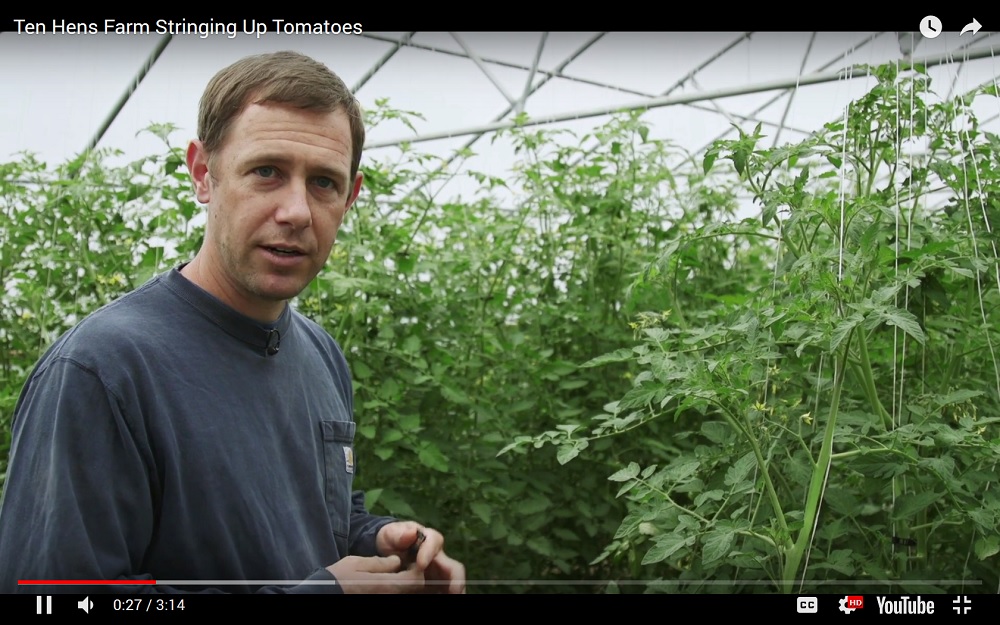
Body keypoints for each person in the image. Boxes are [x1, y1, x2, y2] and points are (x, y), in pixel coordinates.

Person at [0, 50, 465, 595]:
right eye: (266, 171)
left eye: (323, 183)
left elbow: (316, 524)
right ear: (204, 174)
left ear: (350, 197)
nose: (296, 211)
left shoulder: (320, 355)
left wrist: (378, 538)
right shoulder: (103, 370)